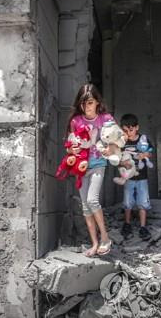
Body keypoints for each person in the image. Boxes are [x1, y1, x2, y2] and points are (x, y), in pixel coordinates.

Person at [65, 83, 116, 257]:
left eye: (90, 102)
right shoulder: (75, 121)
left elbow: (119, 139)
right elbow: (69, 147)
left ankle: (105, 239)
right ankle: (94, 244)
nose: (86, 106)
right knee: (86, 207)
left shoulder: (106, 119)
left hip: (98, 164)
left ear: (97, 102)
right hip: (80, 167)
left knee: (92, 201)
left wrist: (112, 148)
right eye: (83, 103)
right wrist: (72, 150)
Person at [119, 113, 154, 241]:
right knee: (127, 202)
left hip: (142, 177)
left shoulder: (143, 139)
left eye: (131, 130)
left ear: (137, 127)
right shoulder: (123, 142)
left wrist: (144, 155)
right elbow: (117, 159)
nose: (128, 133)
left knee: (143, 202)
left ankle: (143, 227)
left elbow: (150, 152)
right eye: (125, 131)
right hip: (128, 177)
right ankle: (127, 224)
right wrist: (124, 163)